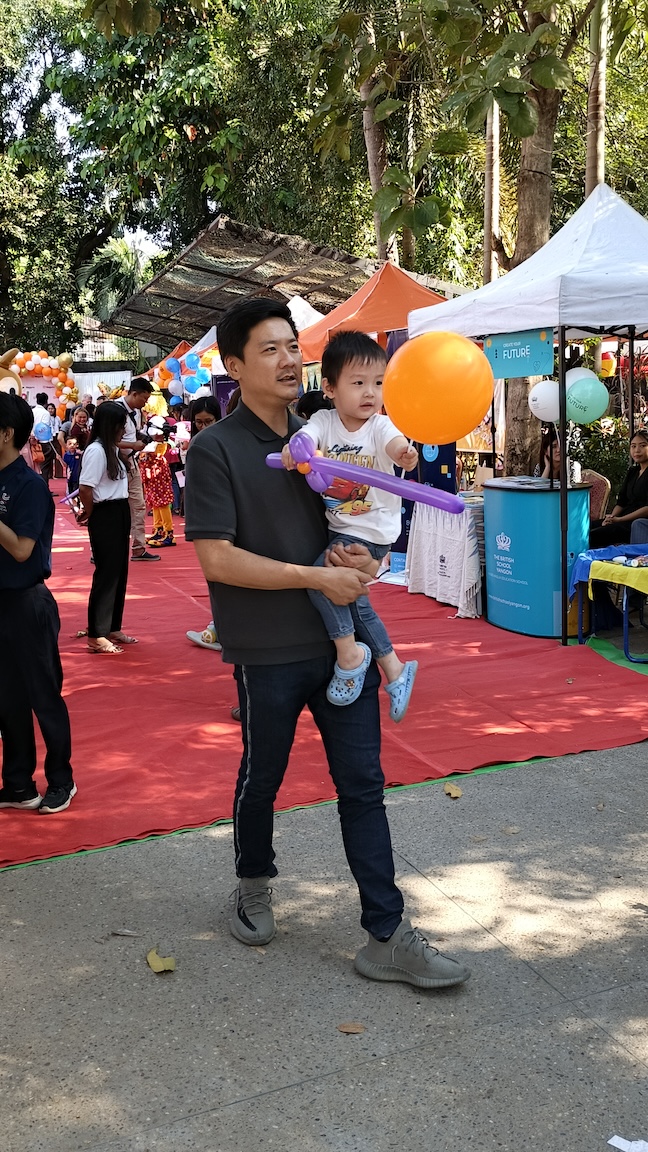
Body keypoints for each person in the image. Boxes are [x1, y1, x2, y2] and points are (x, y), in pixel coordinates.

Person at [185, 297, 470, 989]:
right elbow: (217, 559)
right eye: (270, 349)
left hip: (344, 643)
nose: (289, 360)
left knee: (364, 786)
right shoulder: (216, 448)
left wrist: (364, 561)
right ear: (233, 366)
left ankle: (387, 934)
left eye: (293, 346)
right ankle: (254, 883)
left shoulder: (336, 430)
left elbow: (361, 524)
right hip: (268, 649)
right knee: (263, 777)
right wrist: (316, 576)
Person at [282, 331, 419, 720]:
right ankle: (395, 669)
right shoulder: (324, 421)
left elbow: (394, 445)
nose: (370, 393)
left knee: (321, 583)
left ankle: (349, 654)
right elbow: (306, 437)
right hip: (342, 527)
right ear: (329, 388)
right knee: (354, 602)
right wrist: (295, 449)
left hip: (371, 532)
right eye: (358, 383)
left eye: (378, 383)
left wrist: (404, 454)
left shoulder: (380, 426)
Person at [0, 393, 76, 813]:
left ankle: (62, 780)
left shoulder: (28, 485)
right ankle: (17, 784)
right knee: (6, 697)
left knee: (43, 694)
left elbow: (22, 549)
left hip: (27, 601)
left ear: (6, 433)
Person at [78, 401, 135, 654]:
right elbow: (85, 488)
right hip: (105, 512)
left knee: (119, 571)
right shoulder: (97, 451)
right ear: (111, 425)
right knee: (107, 573)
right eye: (121, 426)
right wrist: (91, 512)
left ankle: (112, 626)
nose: (124, 430)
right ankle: (96, 634)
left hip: (119, 510)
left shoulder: (111, 449)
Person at [115, 377, 160, 561]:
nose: (145, 403)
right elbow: (109, 440)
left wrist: (143, 438)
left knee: (139, 505)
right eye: (144, 398)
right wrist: (133, 445)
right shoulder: (114, 411)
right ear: (134, 394)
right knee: (114, 508)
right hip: (115, 465)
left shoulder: (135, 412)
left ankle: (139, 548)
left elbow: (130, 435)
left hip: (132, 463)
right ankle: (104, 549)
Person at [589, 429, 648, 547]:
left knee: (593, 536)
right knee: (585, 528)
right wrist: (612, 517)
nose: (637, 450)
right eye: (633, 446)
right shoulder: (633, 472)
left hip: (636, 522)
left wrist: (620, 520)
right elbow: (622, 501)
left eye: (642, 445)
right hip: (621, 518)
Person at [140, 423, 176, 548]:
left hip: (158, 476)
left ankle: (168, 532)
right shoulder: (153, 445)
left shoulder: (160, 446)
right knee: (155, 504)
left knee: (162, 504)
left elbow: (152, 456)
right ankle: (158, 529)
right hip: (152, 477)